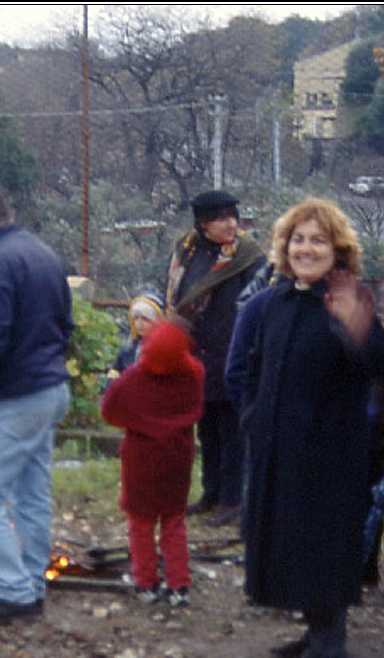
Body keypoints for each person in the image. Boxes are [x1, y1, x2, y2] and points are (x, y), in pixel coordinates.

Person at [242, 197, 384, 658]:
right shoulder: (276, 301)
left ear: (338, 249)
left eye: (318, 241)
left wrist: (358, 328)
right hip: (279, 447)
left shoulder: (350, 298)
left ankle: (330, 654)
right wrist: (253, 416)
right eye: (298, 239)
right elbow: (254, 366)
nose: (305, 249)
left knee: (324, 547)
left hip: (329, 453)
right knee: (291, 543)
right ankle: (314, 637)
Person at [0, 181, 74, 626]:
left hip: (15, 394)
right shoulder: (44, 254)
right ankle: (32, 584)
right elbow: (66, 325)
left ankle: (15, 591)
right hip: (50, 388)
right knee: (32, 493)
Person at [166, 190, 268, 528]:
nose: (230, 224)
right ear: (203, 223)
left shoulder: (248, 256)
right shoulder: (188, 251)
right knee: (206, 428)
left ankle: (231, 499)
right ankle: (210, 492)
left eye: (233, 217)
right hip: (196, 353)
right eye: (221, 218)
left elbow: (255, 303)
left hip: (232, 352)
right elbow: (177, 294)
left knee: (231, 429)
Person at [101, 320, 205, 607]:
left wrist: (135, 422)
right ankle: (179, 585)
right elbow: (197, 405)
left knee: (141, 523)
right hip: (177, 458)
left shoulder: (134, 379)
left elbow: (109, 409)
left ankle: (146, 581)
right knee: (174, 521)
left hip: (141, 459)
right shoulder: (193, 374)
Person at [103, 292, 164, 388]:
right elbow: (114, 373)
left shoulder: (164, 351)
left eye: (145, 319)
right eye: (136, 318)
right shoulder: (128, 349)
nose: (139, 323)